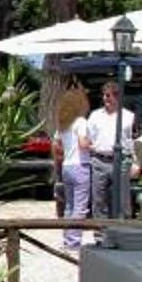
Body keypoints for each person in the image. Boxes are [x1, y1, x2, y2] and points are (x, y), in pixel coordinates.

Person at [77, 78, 134, 224]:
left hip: (121, 162)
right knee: (99, 200)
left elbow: (134, 141)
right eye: (104, 95)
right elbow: (85, 138)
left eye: (108, 95)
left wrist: (136, 163)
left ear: (117, 96)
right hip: (99, 161)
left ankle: (122, 232)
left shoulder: (128, 116)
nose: (105, 98)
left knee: (122, 200)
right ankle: (101, 235)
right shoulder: (95, 116)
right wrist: (92, 147)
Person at [54, 82, 92, 250]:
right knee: (80, 206)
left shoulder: (63, 123)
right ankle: (74, 241)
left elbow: (56, 145)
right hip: (80, 165)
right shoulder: (81, 122)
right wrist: (94, 146)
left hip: (67, 166)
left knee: (69, 205)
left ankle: (68, 239)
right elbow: (83, 144)